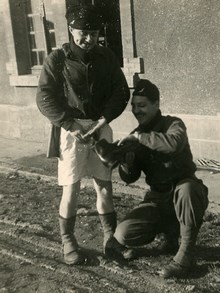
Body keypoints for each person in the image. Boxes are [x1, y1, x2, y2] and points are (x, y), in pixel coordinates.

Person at [36, 5, 130, 265]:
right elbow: (45, 97)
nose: (88, 39)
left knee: (105, 188)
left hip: (100, 128)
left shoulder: (106, 57)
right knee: (72, 189)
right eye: (82, 33)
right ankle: (68, 242)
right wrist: (70, 124)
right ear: (71, 30)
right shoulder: (57, 59)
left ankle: (110, 239)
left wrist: (103, 120)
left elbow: (120, 91)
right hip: (71, 132)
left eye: (93, 33)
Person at [105, 79, 209, 278]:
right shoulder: (135, 135)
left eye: (142, 105)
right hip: (157, 199)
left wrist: (140, 139)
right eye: (134, 106)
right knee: (123, 233)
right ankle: (170, 237)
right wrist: (127, 161)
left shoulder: (173, 124)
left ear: (156, 104)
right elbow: (130, 177)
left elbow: (173, 144)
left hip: (184, 194)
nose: (137, 111)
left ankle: (185, 255)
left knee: (187, 189)